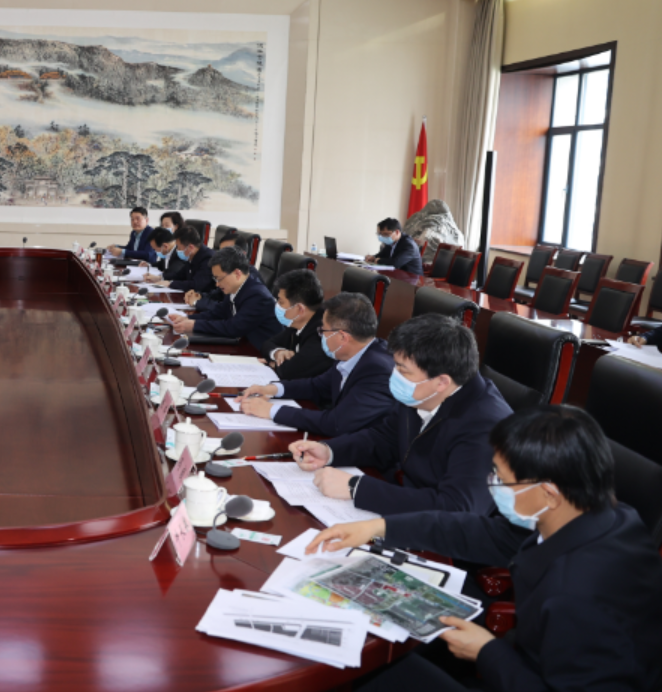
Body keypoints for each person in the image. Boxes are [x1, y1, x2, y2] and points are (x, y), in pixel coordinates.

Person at [307, 406, 662, 692]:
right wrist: (379, 527)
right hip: (524, 657)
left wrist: (486, 652)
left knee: (365, 674)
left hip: (522, 672)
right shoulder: (600, 513)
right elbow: (479, 532)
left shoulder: (578, 595)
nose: (492, 486)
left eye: (502, 479)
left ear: (549, 493)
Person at [287, 313, 511, 515]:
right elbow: (384, 438)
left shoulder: (487, 428)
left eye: (403, 369)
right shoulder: (421, 394)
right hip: (408, 506)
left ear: (442, 382)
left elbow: (457, 508)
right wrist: (329, 451)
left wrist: (356, 488)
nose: (394, 375)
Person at [240, 292, 394, 435]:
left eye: (323, 331)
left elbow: (336, 423)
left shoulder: (377, 370)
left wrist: (272, 411)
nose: (321, 336)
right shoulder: (350, 354)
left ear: (342, 337)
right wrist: (272, 389)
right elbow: (316, 386)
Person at [168, 247, 282, 352]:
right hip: (242, 345)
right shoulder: (236, 288)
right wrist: (187, 318)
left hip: (259, 352)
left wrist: (194, 325)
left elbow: (233, 327)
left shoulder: (258, 296)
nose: (217, 284)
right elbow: (218, 313)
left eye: (219, 279)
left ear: (237, 274)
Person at [262, 269, 334, 381]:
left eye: (281, 302)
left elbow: (288, 372)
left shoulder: (322, 333)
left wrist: (274, 364)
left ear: (300, 309)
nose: (277, 306)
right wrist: (278, 353)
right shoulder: (297, 323)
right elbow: (268, 344)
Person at [153, 224, 214, 295]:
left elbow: (196, 284)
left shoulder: (208, 258)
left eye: (179, 247)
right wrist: (160, 277)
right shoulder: (192, 255)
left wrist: (170, 284)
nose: (177, 250)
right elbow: (179, 275)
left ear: (191, 247)